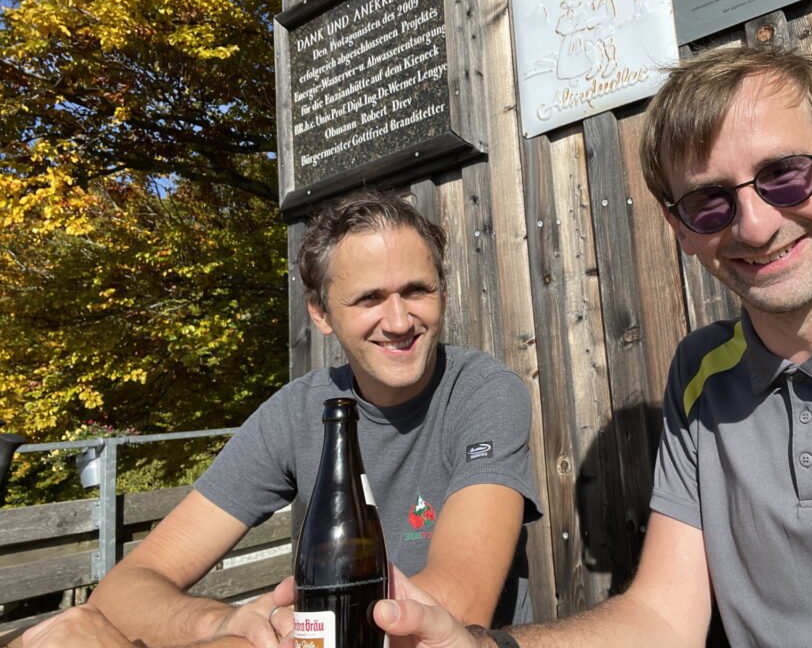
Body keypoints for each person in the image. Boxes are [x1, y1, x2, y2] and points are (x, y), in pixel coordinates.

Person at [371, 45, 812, 647]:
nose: (756, 224)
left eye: (784, 174)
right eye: (710, 203)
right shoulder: (701, 374)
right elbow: (662, 616)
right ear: (680, 229)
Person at [24, 190, 540, 648]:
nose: (401, 320)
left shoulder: (483, 392)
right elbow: (125, 587)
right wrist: (229, 623)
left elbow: (453, 608)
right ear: (321, 315)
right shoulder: (295, 413)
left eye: (417, 291)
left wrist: (300, 626)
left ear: (443, 294)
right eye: (369, 299)